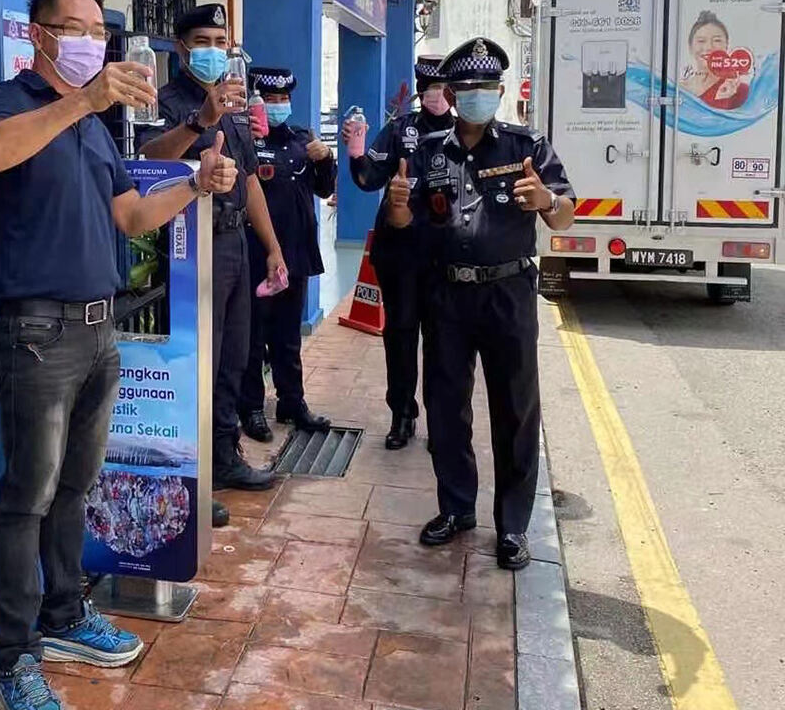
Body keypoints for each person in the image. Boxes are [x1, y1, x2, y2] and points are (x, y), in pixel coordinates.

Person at [0, 0, 240, 710]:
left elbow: (131, 216)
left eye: (98, 28)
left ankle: (63, 615)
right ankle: (13, 663)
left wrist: (196, 185)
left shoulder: (93, 128)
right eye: (74, 26)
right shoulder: (11, 103)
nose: (91, 40)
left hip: (95, 332)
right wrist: (84, 101)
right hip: (33, 335)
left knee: (73, 490)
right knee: (26, 497)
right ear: (39, 34)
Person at [382, 36, 575, 570]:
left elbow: (564, 213)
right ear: (449, 90)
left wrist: (546, 201)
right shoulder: (426, 151)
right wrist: (398, 210)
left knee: (514, 409)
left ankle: (512, 526)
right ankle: (456, 507)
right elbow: (408, 225)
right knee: (445, 406)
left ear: (500, 90)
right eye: (465, 88)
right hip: (446, 294)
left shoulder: (525, 146)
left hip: (508, 294)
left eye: (485, 87)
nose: (475, 96)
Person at [136, 4, 286, 502]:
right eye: (202, 41)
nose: (213, 51)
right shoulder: (166, 101)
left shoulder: (236, 105)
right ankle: (192, 471)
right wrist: (202, 119)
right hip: (190, 245)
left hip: (235, 242)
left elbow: (248, 180)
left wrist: (272, 246)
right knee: (201, 355)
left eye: (220, 42)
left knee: (236, 355)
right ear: (181, 49)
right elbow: (148, 157)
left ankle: (224, 455)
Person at [344, 56, 454, 449]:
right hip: (401, 255)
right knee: (401, 334)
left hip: (447, 257)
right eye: (429, 90)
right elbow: (368, 178)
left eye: (443, 90)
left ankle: (443, 422)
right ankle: (402, 414)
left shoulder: (466, 133)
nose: (435, 97)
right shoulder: (400, 130)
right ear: (421, 92)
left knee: (443, 341)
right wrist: (356, 152)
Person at [238, 67, 336, 442]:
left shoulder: (301, 140)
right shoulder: (245, 138)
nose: (278, 106)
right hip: (256, 256)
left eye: (283, 100)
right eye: (270, 99)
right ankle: (250, 407)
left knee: (287, 336)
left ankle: (292, 402)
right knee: (252, 337)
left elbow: (324, 189)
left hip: (294, 256)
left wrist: (326, 158)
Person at [680, 10, 750, 110]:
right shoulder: (678, 89)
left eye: (717, 40)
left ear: (726, 46)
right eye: (701, 41)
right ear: (690, 47)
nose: (708, 47)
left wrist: (723, 98)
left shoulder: (740, 90)